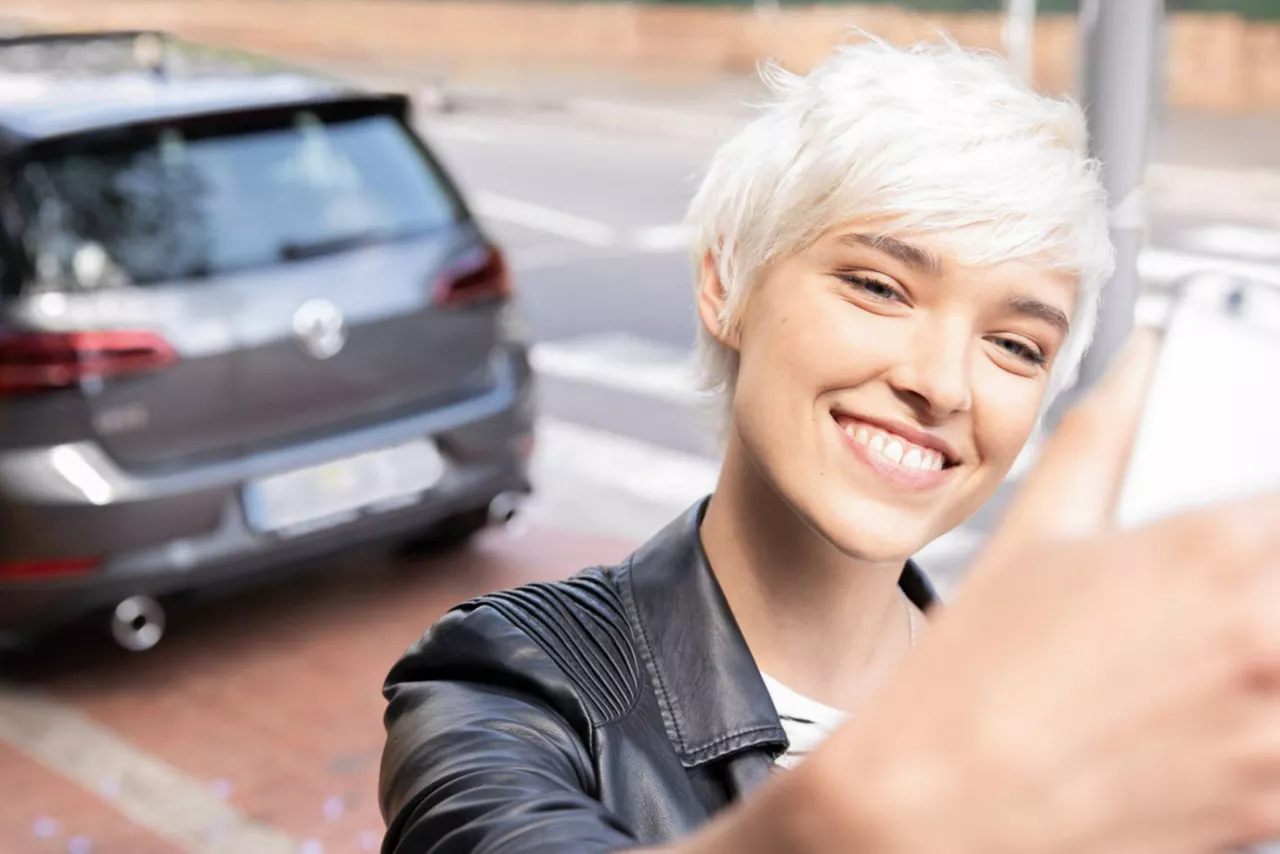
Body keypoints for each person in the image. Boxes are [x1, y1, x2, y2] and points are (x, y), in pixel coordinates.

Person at [379, 37, 1280, 854]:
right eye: (880, 287)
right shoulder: (505, 682)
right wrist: (890, 802)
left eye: (1016, 345)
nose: (944, 382)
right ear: (725, 283)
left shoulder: (1078, 727)